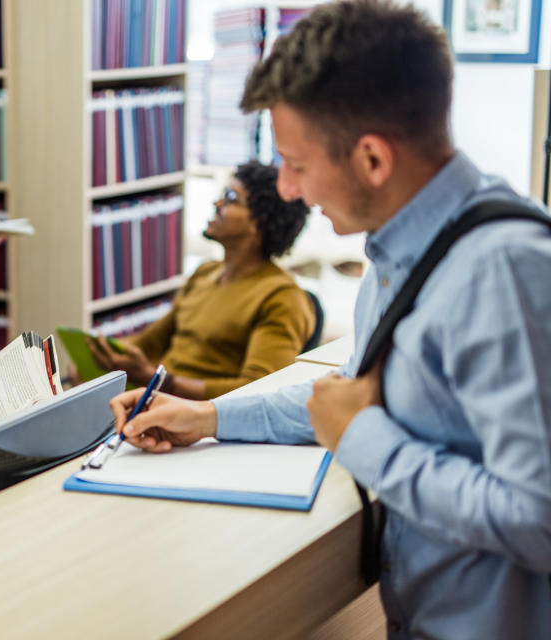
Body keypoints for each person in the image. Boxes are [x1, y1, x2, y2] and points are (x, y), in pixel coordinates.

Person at [107, 1, 551, 638]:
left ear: (372, 159)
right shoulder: (398, 252)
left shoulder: (504, 272)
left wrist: (364, 438)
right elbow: (346, 395)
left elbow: (538, 519)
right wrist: (208, 418)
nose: (287, 189)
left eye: (297, 163)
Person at [87, 160, 313, 399]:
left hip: (201, 422)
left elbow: (260, 390)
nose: (217, 203)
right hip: (156, 400)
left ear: (259, 223)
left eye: (231, 198)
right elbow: (147, 343)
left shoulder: (282, 298)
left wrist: (159, 381)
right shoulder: (205, 273)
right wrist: (97, 357)